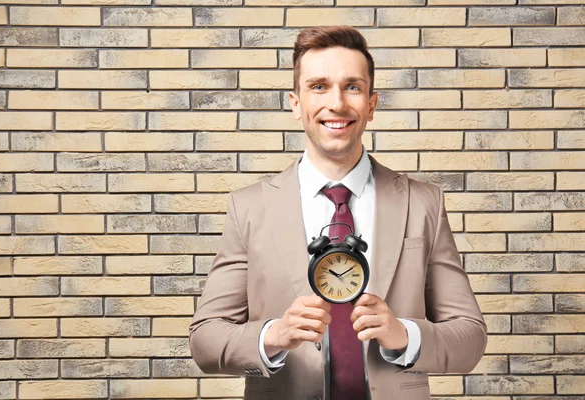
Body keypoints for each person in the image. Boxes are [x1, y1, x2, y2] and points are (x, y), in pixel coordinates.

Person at [189, 25, 487, 400]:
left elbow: (470, 337)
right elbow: (204, 340)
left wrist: (404, 335)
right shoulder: (249, 206)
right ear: (295, 103)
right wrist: (273, 336)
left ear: (372, 104)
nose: (338, 104)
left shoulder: (422, 203)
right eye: (318, 86)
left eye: (352, 87)